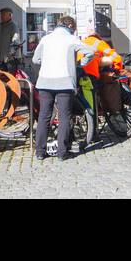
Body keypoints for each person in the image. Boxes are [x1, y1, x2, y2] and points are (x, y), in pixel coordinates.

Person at [31, 16, 95, 160]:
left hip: (45, 82)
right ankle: (62, 152)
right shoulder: (71, 39)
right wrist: (79, 63)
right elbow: (90, 52)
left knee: (44, 116)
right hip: (64, 82)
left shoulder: (46, 39)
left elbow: (35, 59)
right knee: (64, 117)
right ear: (71, 26)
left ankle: (40, 152)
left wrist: (48, 63)